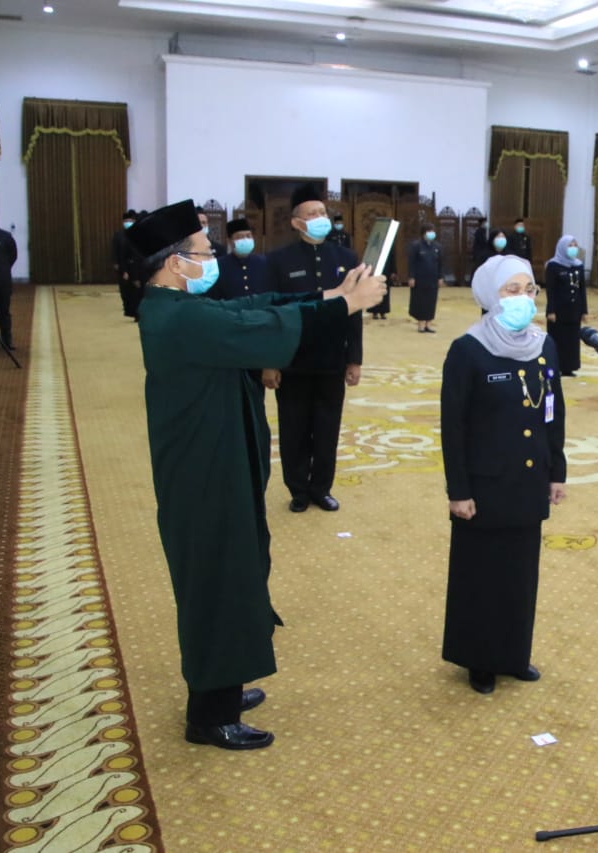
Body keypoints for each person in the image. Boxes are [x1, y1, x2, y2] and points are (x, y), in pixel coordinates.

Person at [128, 199, 385, 749]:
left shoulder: (176, 306)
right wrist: (342, 307)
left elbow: (257, 307)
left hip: (216, 459)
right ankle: (209, 715)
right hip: (204, 474)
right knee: (217, 582)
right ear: (176, 263)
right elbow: (264, 326)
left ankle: (221, 685)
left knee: (235, 572)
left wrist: (331, 295)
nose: (212, 258)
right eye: (203, 252)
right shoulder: (178, 317)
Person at [441, 254, 566, 694]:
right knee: (482, 575)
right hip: (485, 486)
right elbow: (452, 428)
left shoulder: (544, 346)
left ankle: (514, 653)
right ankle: (479, 658)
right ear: (491, 296)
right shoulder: (468, 350)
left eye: (529, 290)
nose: (523, 299)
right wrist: (458, 490)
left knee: (519, 574)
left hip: (529, 481)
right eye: (512, 291)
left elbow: (553, 410)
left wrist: (557, 471)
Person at [266, 184, 363, 513]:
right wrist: (270, 362)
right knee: (293, 429)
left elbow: (355, 312)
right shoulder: (278, 261)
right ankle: (298, 489)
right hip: (292, 360)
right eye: (312, 214)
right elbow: (273, 315)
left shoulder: (346, 258)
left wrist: (355, 359)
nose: (320, 218)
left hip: (332, 361)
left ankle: (321, 488)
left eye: (323, 212)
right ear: (296, 222)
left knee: (327, 428)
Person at [544, 235, 588, 376]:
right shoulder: (553, 265)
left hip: (574, 310)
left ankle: (569, 367)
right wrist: (551, 310)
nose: (573, 248)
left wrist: (584, 310)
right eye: (570, 245)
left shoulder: (578, 265)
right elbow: (550, 290)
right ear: (562, 247)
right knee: (558, 339)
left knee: (572, 340)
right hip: (558, 310)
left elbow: (582, 289)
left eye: (575, 245)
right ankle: (556, 366)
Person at [210, 218, 271, 300]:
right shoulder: (218, 266)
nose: (245, 239)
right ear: (229, 241)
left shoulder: (264, 262)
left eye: (248, 236)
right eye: (240, 237)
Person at [408, 222, 444, 333]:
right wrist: (411, 277)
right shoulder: (416, 246)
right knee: (420, 301)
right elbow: (411, 263)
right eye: (429, 231)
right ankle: (421, 325)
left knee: (431, 301)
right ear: (423, 233)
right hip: (419, 279)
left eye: (433, 231)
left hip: (433, 279)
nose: (431, 233)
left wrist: (440, 277)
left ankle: (428, 324)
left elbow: (441, 263)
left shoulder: (438, 247)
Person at [112, 209, 140, 319]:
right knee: (125, 288)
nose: (128, 223)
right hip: (123, 264)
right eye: (126, 220)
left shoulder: (137, 234)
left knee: (135, 290)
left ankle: (134, 311)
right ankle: (127, 308)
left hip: (135, 266)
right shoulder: (119, 235)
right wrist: (116, 263)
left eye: (130, 220)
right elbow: (115, 250)